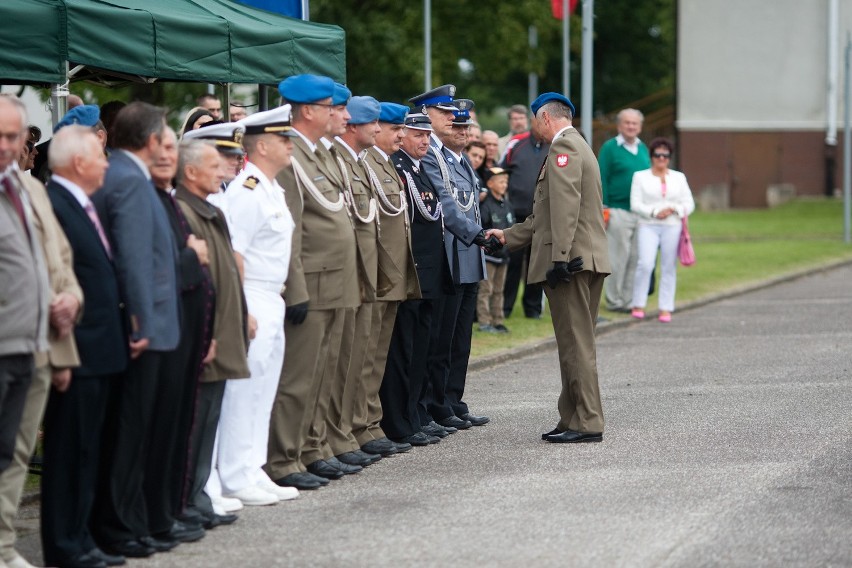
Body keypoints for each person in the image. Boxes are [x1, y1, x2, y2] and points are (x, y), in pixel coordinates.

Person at [489, 92, 611, 444]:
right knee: (574, 343)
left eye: (534, 120)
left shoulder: (564, 149)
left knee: (576, 345)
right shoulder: (577, 145)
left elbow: (565, 207)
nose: (532, 128)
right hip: (581, 258)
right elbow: (543, 217)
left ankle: (586, 421)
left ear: (545, 118)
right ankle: (572, 415)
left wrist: (559, 258)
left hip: (570, 262)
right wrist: (507, 236)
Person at [90, 102, 181, 559]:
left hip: (158, 321)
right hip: (147, 325)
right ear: (148, 141)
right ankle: (119, 525)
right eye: (163, 137)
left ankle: (133, 520)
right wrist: (141, 320)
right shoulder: (126, 179)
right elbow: (133, 259)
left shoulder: (130, 177)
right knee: (129, 432)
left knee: (142, 429)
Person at [266, 75, 360, 490]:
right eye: (329, 107)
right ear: (307, 111)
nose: (337, 114)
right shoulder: (291, 158)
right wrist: (296, 288)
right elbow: (291, 229)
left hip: (336, 281)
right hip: (313, 283)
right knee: (299, 376)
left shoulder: (317, 155)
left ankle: (312, 448)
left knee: (323, 372)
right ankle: (283, 459)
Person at [41, 125, 128, 568]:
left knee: (91, 447)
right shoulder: (54, 204)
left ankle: (84, 534)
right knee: (69, 450)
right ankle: (64, 544)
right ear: (79, 163)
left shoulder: (82, 202)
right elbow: (57, 282)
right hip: (77, 348)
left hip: (102, 345)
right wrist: (63, 352)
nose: (107, 163)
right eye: (101, 155)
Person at [215, 105, 300, 506]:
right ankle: (234, 474)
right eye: (284, 140)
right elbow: (234, 253)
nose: (290, 146)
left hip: (271, 295)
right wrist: (241, 307)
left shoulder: (269, 185)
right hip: (252, 294)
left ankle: (252, 467)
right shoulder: (247, 189)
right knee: (243, 390)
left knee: (264, 387)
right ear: (262, 144)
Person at [174, 136, 252, 529]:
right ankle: (185, 499)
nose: (223, 169)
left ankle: (198, 493)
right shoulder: (184, 210)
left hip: (221, 322)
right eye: (213, 164)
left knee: (209, 418)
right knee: (195, 419)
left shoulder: (208, 208)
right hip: (204, 328)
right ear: (190, 171)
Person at [412, 87, 493, 434]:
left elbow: (468, 203)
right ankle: (437, 403)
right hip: (450, 255)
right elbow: (445, 205)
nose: (462, 132)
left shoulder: (461, 160)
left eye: (465, 128)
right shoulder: (431, 155)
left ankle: (453, 400)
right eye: (452, 123)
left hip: (469, 257)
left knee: (460, 338)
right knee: (441, 339)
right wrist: (479, 234)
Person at [0, 95, 54, 568]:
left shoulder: (28, 187)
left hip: (34, 342)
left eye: (13, 136)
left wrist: (68, 294)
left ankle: (2, 546)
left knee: (16, 453)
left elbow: (55, 257)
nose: (6, 145)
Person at [379, 112, 451, 447]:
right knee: (404, 350)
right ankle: (401, 420)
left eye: (426, 135)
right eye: (415, 134)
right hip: (412, 272)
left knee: (422, 348)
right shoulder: (398, 168)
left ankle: (416, 414)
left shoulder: (419, 171)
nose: (424, 141)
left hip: (429, 273)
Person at [358, 102, 419, 456]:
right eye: (394, 128)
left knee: (374, 357)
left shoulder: (383, 163)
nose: (400, 134)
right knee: (361, 358)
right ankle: (358, 426)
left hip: (389, 274)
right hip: (376, 275)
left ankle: (368, 423)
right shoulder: (368, 163)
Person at [329, 96, 384, 468]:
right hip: (335, 277)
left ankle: (346, 432)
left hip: (362, 273)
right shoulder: (336, 161)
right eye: (372, 124)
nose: (378, 130)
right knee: (334, 363)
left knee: (356, 357)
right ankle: (330, 438)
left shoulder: (357, 163)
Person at [629, 138, 695, 323]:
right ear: (651, 157)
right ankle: (638, 303)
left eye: (665, 155)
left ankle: (665, 307)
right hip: (648, 224)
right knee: (645, 263)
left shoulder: (678, 177)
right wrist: (655, 212)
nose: (661, 158)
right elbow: (635, 203)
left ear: (669, 158)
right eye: (658, 155)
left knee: (668, 266)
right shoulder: (640, 176)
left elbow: (689, 203)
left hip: (672, 225)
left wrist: (674, 209)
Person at [598, 109, 651, 313]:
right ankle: (615, 300)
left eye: (634, 123)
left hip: (642, 212)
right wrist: (604, 208)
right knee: (618, 256)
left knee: (637, 258)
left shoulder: (643, 148)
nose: (631, 126)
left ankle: (630, 300)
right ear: (620, 126)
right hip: (618, 210)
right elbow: (601, 177)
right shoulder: (610, 148)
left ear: (640, 126)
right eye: (627, 123)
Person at [500, 114, 549, 320]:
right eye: (537, 121)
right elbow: (500, 172)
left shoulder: (554, 146)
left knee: (537, 264)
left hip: (543, 215)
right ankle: (505, 307)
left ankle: (533, 308)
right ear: (532, 122)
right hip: (517, 215)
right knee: (513, 264)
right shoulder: (515, 144)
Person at [476, 167, 513, 333]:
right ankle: (485, 322)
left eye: (506, 181)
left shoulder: (507, 204)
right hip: (489, 257)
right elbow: (483, 228)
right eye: (500, 181)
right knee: (486, 290)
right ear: (490, 183)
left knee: (499, 290)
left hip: (504, 256)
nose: (504, 184)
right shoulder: (485, 205)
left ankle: (498, 320)